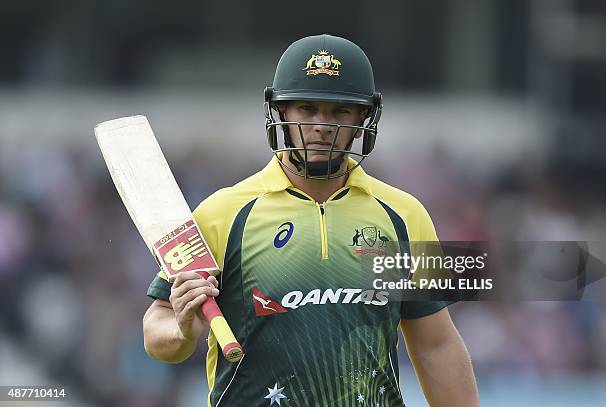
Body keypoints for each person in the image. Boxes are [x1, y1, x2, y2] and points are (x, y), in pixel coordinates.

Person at [143, 34, 479, 406]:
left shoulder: (404, 214)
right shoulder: (221, 213)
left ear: (363, 118)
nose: (322, 125)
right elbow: (157, 333)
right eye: (306, 108)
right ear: (282, 112)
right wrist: (182, 331)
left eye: (339, 111)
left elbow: (437, 346)